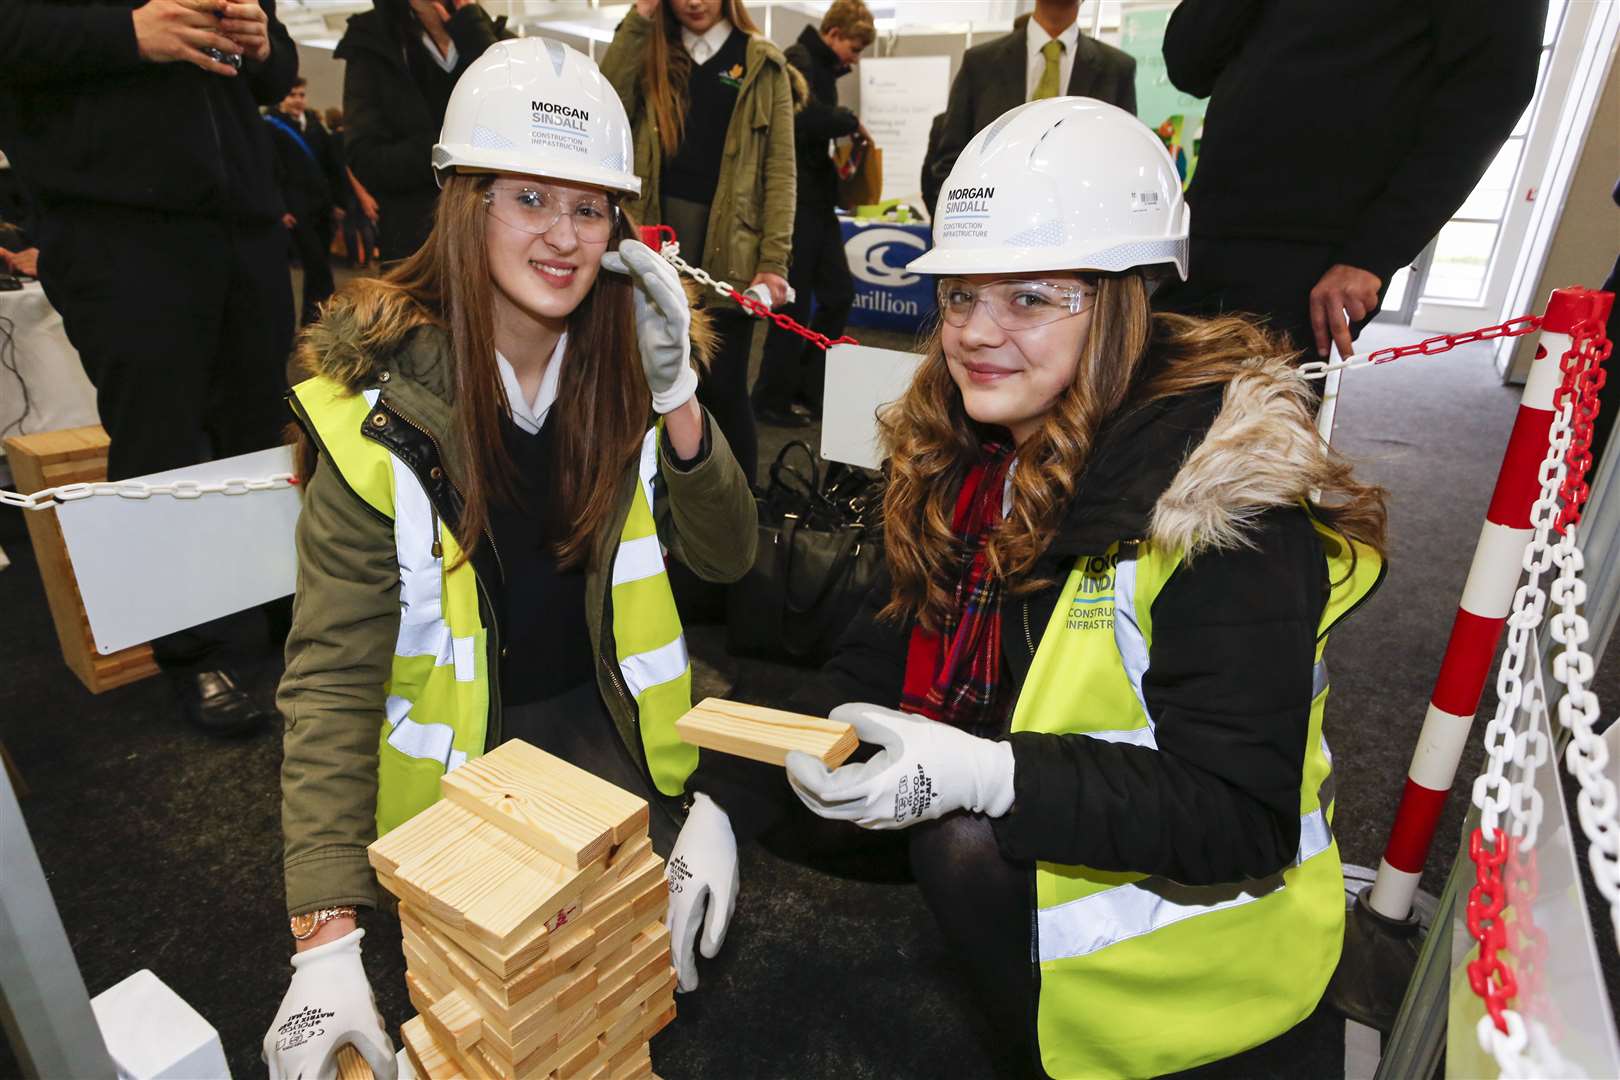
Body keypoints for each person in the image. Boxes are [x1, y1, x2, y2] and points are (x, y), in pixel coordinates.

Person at [666, 99, 1390, 1078]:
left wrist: (986, 775)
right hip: (1081, 822)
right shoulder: (985, 455)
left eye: (1031, 297)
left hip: (1209, 962)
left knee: (960, 836)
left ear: (1125, 297)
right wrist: (723, 800)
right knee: (913, 807)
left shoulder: (1226, 503)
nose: (975, 331)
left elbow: (1240, 816)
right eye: (962, 295)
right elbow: (882, 650)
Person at [263, 38, 757, 1079]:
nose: (565, 237)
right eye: (530, 197)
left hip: (608, 733)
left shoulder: (629, 364)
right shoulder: (376, 413)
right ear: (464, 202)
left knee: (621, 1005)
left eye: (590, 209)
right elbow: (331, 677)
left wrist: (680, 405)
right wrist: (325, 935)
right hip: (458, 774)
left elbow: (727, 557)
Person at [0, 0, 299, 736]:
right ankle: (188, 653)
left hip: (242, 221)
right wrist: (125, 34)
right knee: (157, 440)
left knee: (260, 431)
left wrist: (267, 46)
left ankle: (283, 621)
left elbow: (277, 71)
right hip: (116, 223)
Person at [1155, 0, 1547, 359]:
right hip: (1204, 225)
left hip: (1314, 256)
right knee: (1134, 404)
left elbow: (1488, 98)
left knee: (1249, 425)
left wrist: (1373, 254)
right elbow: (1189, 65)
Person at [602, 0, 796, 484]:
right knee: (648, 390)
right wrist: (640, 18)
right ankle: (663, 516)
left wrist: (774, 262)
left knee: (724, 390)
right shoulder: (650, 52)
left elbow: (780, 170)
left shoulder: (761, 61)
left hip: (730, 250)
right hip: (654, 239)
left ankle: (737, 517)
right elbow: (606, 105)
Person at [751, 0, 873, 427]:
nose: (855, 59)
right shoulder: (798, 60)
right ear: (834, 33)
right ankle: (770, 396)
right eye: (854, 48)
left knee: (838, 295)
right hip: (797, 205)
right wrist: (847, 119)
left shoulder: (819, 66)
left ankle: (805, 386)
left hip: (818, 203)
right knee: (793, 305)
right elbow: (799, 119)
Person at [923, 1, 1136, 217]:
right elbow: (951, 163)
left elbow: (1122, 166)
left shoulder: (1117, 70)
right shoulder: (979, 64)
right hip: (988, 232)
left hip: (1081, 230)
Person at [336, 0, 509, 262]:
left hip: (492, 235)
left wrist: (474, 32)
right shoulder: (372, 40)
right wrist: (456, 145)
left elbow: (520, 121)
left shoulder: (491, 36)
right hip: (412, 244)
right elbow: (365, 157)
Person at [266, 77, 339, 324]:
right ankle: (319, 324)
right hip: (294, 211)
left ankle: (311, 324)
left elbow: (333, 165)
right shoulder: (271, 128)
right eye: (292, 95)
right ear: (281, 99)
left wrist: (339, 202)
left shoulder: (315, 127)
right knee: (319, 268)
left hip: (321, 208)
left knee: (316, 269)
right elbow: (268, 170)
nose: (298, 100)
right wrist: (278, 207)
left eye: (301, 95)